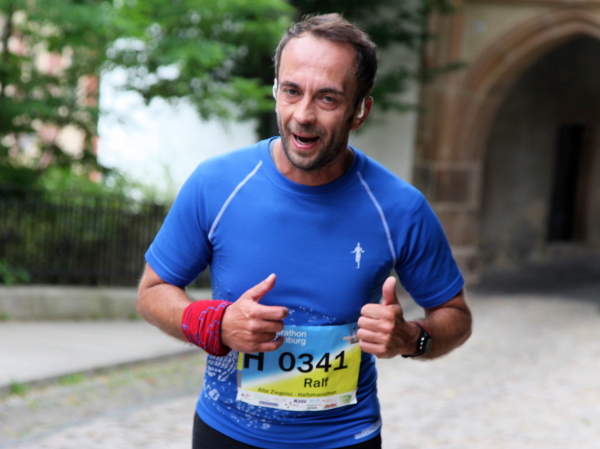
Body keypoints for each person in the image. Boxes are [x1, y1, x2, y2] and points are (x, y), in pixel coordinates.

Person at [137, 13, 472, 449]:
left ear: (360, 111)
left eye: (328, 98)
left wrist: (411, 338)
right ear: (276, 91)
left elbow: (455, 316)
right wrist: (215, 324)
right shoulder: (216, 183)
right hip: (227, 434)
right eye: (291, 91)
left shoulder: (399, 207)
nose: (303, 115)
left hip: (345, 439)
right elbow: (152, 291)